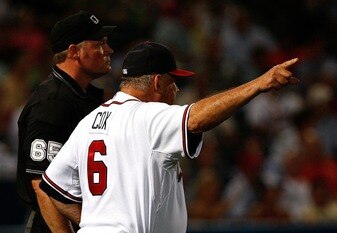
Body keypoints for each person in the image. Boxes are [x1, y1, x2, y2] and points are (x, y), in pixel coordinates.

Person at [39, 41, 299, 233]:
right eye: (172, 81)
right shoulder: (149, 116)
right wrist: (258, 84)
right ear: (156, 83)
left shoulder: (88, 123)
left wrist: (92, 224)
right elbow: (196, 119)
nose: (175, 88)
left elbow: (51, 187)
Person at [16, 10, 116, 233]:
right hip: (54, 225)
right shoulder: (52, 104)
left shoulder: (79, 95)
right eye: (99, 44)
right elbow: (43, 187)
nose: (109, 50)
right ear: (74, 51)